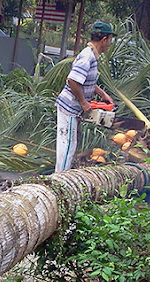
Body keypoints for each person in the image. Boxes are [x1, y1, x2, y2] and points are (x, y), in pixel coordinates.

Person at [54, 21, 115, 172]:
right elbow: (73, 80)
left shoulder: (92, 55)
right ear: (104, 39)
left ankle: (63, 176)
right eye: (110, 40)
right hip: (69, 107)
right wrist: (83, 102)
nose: (110, 44)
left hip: (74, 108)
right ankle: (58, 179)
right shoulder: (87, 57)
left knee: (71, 143)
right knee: (67, 144)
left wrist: (103, 94)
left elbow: (86, 80)